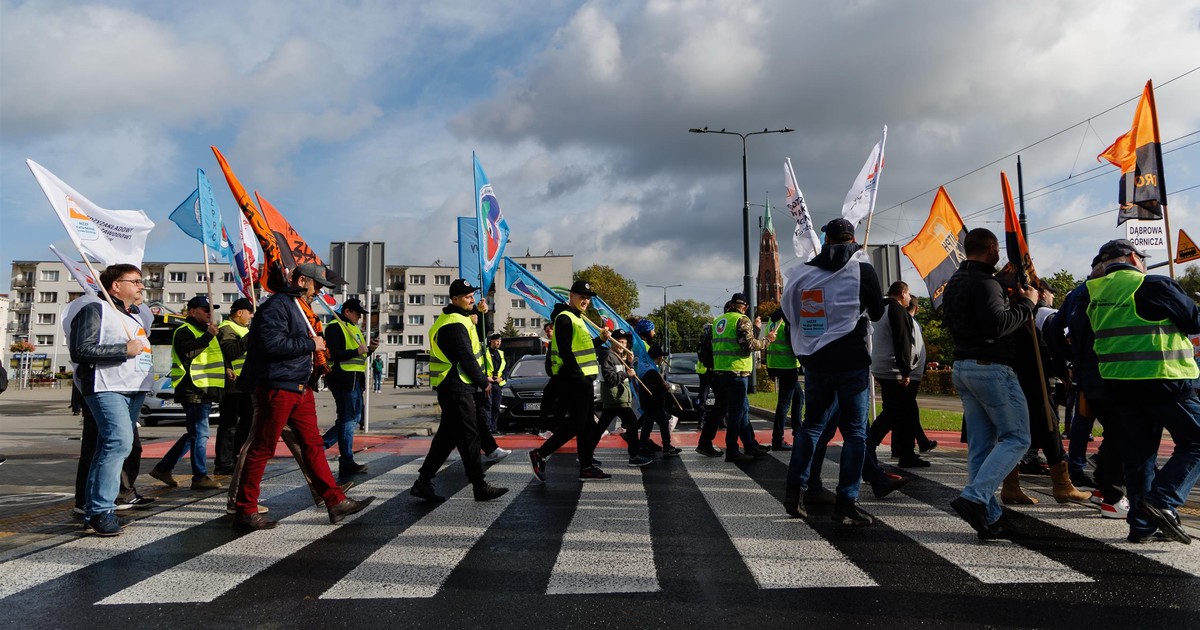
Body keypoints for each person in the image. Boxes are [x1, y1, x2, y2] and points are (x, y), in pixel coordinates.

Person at [1070, 239, 1200, 544]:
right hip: (1164, 378)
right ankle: (1163, 499)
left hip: (1119, 385)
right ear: (1133, 257)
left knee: (1139, 457)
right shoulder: (1152, 285)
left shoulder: (1093, 294)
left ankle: (1142, 526)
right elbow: (1193, 321)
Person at [232, 263, 375, 530]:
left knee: (313, 445)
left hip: (299, 385)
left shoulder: (301, 308)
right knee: (263, 447)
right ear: (301, 281)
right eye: (317, 285)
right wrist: (312, 344)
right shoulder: (277, 306)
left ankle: (335, 500)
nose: (319, 291)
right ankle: (245, 510)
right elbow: (271, 345)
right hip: (278, 385)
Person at [780, 218, 885, 526]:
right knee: (855, 433)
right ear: (852, 239)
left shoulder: (802, 273)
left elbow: (788, 313)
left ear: (825, 240)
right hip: (851, 360)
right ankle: (846, 502)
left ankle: (793, 492)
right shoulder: (861, 269)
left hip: (816, 362)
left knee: (811, 426)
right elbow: (878, 312)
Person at [942, 228, 1038, 539]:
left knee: (981, 447)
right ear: (992, 250)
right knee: (1018, 438)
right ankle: (974, 498)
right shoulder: (986, 283)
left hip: (963, 365)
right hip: (991, 367)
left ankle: (991, 516)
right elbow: (998, 326)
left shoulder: (955, 281)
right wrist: (1027, 305)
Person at [65, 264, 154, 536]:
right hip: (106, 387)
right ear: (116, 285)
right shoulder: (95, 309)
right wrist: (123, 350)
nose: (141, 286)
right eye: (135, 281)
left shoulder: (133, 315)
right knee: (118, 443)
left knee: (109, 447)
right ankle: (103, 510)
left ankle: (94, 511)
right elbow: (81, 349)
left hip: (132, 389)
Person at [409, 279, 509, 502]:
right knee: (470, 436)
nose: (472, 299)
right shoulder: (454, 324)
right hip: (456, 386)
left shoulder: (458, 319)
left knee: (447, 437)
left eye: (472, 295)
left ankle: (423, 483)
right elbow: (465, 357)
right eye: (467, 297)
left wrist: (481, 314)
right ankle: (479, 486)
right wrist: (484, 382)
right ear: (454, 299)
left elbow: (476, 340)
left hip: (455, 386)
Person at [529, 280, 613, 482]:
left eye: (588, 298)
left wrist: (599, 341)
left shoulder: (576, 318)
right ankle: (540, 454)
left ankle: (586, 466)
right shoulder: (566, 318)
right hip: (575, 379)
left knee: (584, 425)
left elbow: (580, 349)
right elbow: (566, 352)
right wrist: (580, 376)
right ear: (571, 296)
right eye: (582, 297)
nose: (585, 301)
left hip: (581, 378)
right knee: (578, 423)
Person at [149, 295, 224, 490]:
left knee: (194, 434)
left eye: (211, 309)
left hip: (205, 389)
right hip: (193, 389)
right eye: (205, 309)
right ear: (192, 311)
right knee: (200, 434)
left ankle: (163, 468)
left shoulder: (205, 331)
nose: (209, 313)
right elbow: (188, 353)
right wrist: (208, 336)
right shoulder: (185, 330)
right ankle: (200, 477)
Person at [868, 281, 927, 468]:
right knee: (895, 412)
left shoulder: (881, 309)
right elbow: (902, 340)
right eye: (908, 294)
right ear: (902, 293)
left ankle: (907, 453)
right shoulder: (897, 310)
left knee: (907, 411)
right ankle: (868, 444)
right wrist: (905, 371)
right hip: (894, 370)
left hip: (881, 366)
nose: (909, 298)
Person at [711, 294, 774, 464]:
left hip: (722, 371)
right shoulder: (742, 319)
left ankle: (750, 444)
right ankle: (732, 450)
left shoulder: (719, 320)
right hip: (737, 372)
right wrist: (767, 340)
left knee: (743, 410)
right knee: (736, 414)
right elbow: (749, 345)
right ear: (745, 307)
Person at [322, 297, 377, 475]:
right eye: (357, 314)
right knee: (348, 419)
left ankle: (319, 447)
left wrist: (369, 350)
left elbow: (358, 357)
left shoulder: (353, 328)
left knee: (352, 418)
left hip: (354, 379)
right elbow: (333, 354)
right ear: (347, 312)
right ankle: (344, 459)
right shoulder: (335, 326)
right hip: (343, 378)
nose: (360, 317)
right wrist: (358, 351)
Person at [600, 329, 654, 467]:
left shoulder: (619, 356)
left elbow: (625, 376)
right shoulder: (608, 355)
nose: (623, 344)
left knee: (599, 429)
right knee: (632, 423)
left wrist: (629, 365)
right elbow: (611, 379)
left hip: (619, 398)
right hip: (615, 398)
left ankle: (586, 457)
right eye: (620, 341)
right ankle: (634, 455)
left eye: (625, 342)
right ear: (613, 341)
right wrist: (627, 374)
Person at [214, 297, 255, 475]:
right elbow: (231, 352)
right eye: (249, 314)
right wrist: (250, 337)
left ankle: (235, 455)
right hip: (232, 385)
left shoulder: (244, 328)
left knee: (247, 422)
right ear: (239, 313)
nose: (251, 317)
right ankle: (223, 463)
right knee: (229, 425)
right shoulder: (226, 329)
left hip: (245, 384)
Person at [765, 310, 801, 452]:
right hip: (788, 365)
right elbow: (794, 344)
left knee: (799, 398)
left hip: (775, 364)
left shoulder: (771, 320)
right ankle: (777, 440)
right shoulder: (787, 320)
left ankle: (797, 432)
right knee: (784, 404)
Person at [484, 333, 506, 433]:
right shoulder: (485, 352)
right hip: (488, 383)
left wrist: (502, 378)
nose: (498, 343)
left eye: (500, 341)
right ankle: (487, 427)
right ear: (491, 341)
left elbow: (506, 368)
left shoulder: (501, 353)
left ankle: (494, 427)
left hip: (498, 384)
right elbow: (480, 366)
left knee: (496, 407)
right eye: (497, 341)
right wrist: (486, 378)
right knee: (488, 406)